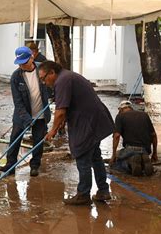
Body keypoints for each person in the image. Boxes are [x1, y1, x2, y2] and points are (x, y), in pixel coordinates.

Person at [42, 61, 114, 205]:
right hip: (94, 119)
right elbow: (68, 106)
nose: (43, 82)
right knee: (95, 156)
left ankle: (83, 194)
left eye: (43, 78)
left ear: (52, 73)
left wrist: (53, 130)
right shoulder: (67, 77)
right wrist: (62, 121)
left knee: (82, 157)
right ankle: (103, 190)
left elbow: (60, 111)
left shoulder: (62, 80)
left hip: (88, 122)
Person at [0, 46, 51, 177]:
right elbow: (18, 102)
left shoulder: (43, 69)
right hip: (22, 116)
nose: (22, 65)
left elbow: (52, 84)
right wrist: (27, 119)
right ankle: (10, 166)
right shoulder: (16, 77)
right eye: (19, 63)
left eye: (24, 62)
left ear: (32, 57)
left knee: (38, 142)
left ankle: (34, 166)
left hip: (41, 114)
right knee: (14, 140)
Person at [109, 100, 158, 176]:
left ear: (120, 110)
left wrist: (114, 155)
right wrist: (154, 153)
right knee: (139, 155)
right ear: (131, 108)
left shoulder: (120, 116)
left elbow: (116, 136)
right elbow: (154, 135)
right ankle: (143, 162)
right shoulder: (144, 115)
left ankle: (130, 162)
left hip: (131, 149)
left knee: (117, 161)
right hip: (145, 149)